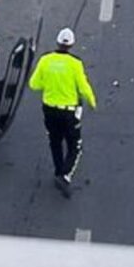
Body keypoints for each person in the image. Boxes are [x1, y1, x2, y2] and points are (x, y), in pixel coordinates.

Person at [28, 28, 96, 198]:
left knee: (55, 141)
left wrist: (50, 84)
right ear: (72, 45)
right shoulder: (75, 63)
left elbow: (34, 84)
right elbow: (83, 87)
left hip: (49, 110)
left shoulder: (45, 60)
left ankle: (58, 170)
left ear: (57, 42)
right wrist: (92, 102)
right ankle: (65, 175)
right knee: (75, 146)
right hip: (68, 112)